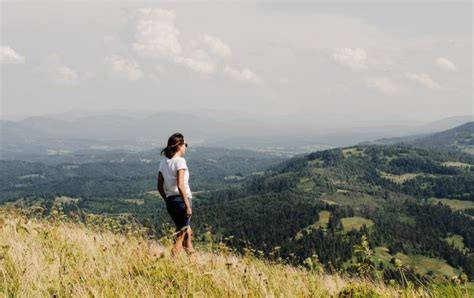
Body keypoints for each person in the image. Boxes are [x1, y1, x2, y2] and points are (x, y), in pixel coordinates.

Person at [157, 132, 195, 258]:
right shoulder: (180, 161)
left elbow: (159, 186)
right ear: (179, 145)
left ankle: (192, 259)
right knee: (181, 233)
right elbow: (180, 185)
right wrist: (187, 205)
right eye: (185, 144)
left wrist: (167, 199)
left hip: (171, 201)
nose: (185, 147)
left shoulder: (164, 162)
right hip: (181, 201)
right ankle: (173, 260)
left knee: (187, 231)